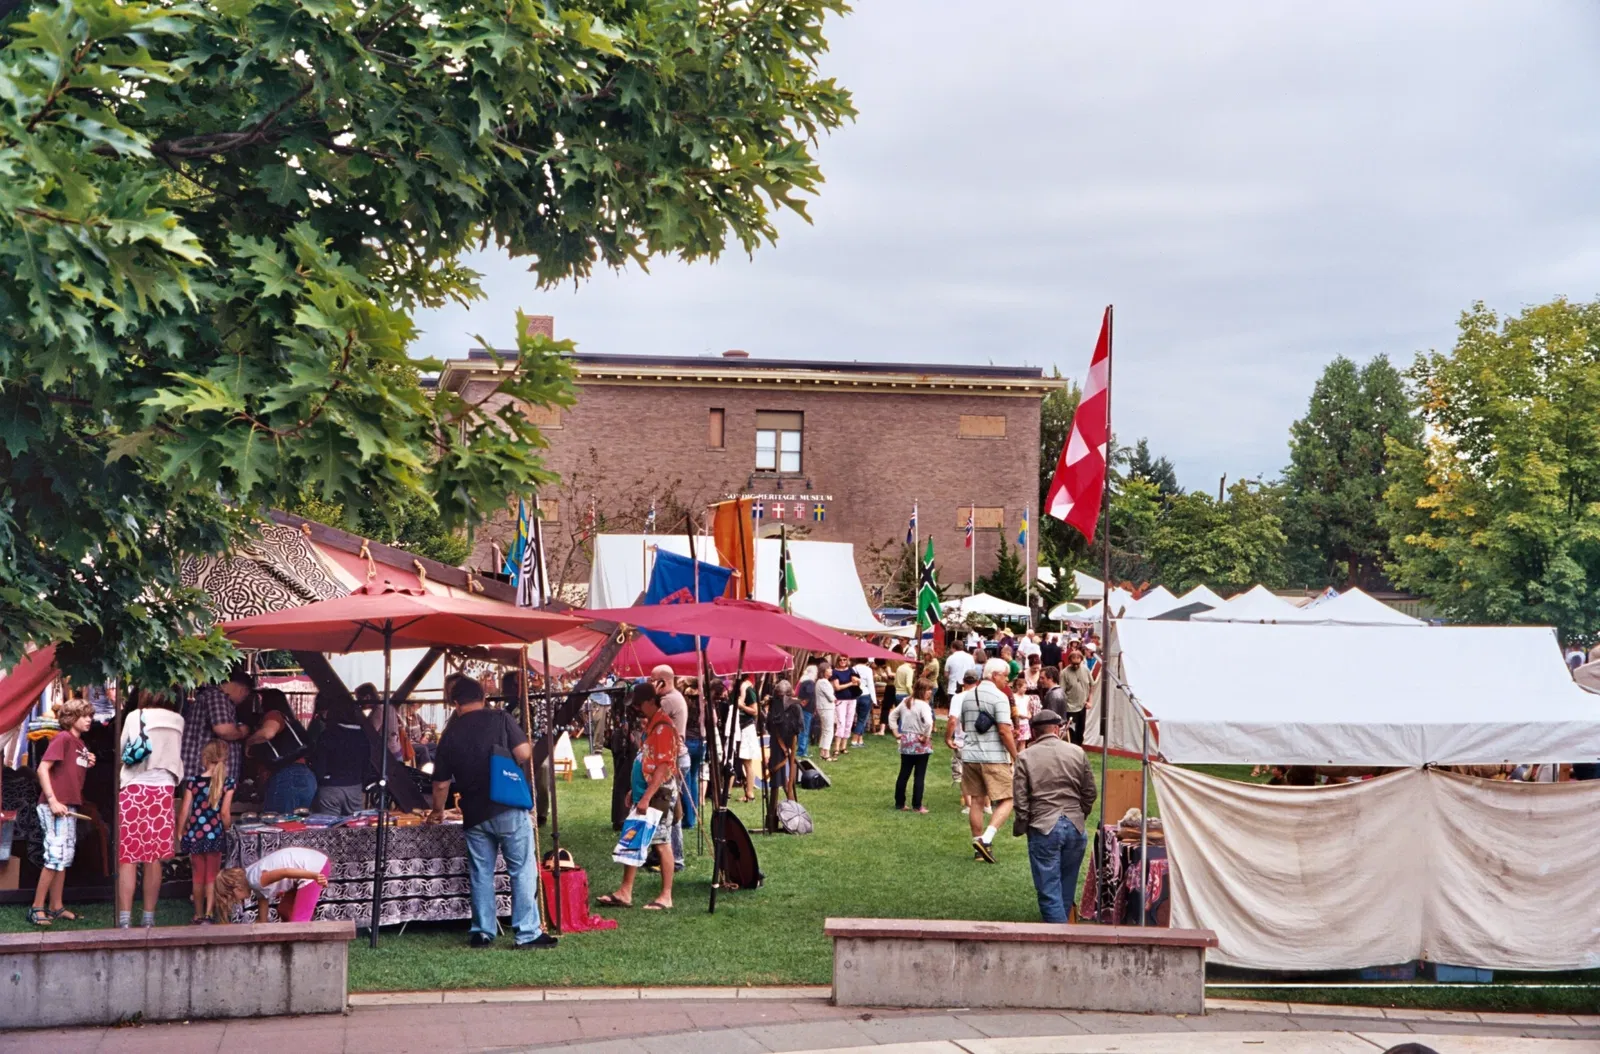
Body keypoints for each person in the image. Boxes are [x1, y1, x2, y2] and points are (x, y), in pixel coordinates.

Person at [429, 676, 555, 949]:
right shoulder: (501, 719)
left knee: (480, 872)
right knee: (521, 869)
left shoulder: (450, 733)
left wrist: (437, 811)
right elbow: (523, 753)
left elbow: (440, 783)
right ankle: (527, 933)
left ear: (455, 703)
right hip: (507, 803)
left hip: (473, 812)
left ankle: (482, 931)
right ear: (484, 698)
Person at [1011, 708, 1097, 923]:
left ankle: (1058, 940)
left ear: (1034, 731)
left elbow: (1020, 800)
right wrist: (1080, 814)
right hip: (1075, 826)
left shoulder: (1025, 756)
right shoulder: (1077, 752)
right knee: (1066, 887)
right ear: (1058, 729)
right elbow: (1090, 792)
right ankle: (1063, 930)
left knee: (1049, 890)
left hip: (1044, 826)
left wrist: (1022, 824)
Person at [600, 683, 680, 910]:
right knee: (633, 838)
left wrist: (646, 797)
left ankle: (666, 895)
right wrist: (634, 791)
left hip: (658, 793)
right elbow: (648, 760)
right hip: (646, 791)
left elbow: (663, 767)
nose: (635, 709)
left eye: (637, 704)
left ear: (649, 702)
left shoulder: (663, 728)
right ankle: (625, 891)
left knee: (662, 842)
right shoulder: (653, 725)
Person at [116, 690, 185, 929]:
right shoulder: (178, 720)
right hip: (163, 791)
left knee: (129, 856)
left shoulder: (136, 716)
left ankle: (125, 918)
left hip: (135, 787)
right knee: (153, 857)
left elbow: (124, 748)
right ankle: (149, 917)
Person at [28, 700, 97, 926]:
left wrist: (89, 761)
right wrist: (53, 800)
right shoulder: (63, 738)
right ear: (71, 717)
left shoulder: (78, 743)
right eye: (84, 715)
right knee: (55, 855)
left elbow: (72, 767)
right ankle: (36, 907)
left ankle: (56, 906)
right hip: (55, 806)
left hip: (68, 806)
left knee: (64, 857)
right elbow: (42, 768)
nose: (89, 719)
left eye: (90, 715)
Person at [960, 658, 1018, 863]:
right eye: (1004, 676)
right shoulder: (999, 697)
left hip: (970, 756)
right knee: (1009, 797)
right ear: (994, 675)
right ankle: (986, 838)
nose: (1007, 680)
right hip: (993, 757)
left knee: (976, 800)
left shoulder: (967, 697)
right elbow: (1004, 730)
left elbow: (965, 725)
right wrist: (1015, 755)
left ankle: (978, 849)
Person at [175, 739, 235, 922]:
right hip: (215, 834)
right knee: (212, 875)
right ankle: (209, 914)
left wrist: (180, 831)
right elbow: (225, 813)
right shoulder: (228, 783)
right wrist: (227, 829)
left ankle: (198, 913)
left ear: (205, 759)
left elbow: (185, 809)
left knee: (197, 876)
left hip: (195, 834)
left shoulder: (193, 782)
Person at [214, 846, 331, 923]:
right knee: (285, 910)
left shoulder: (257, 880)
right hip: (308, 866)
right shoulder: (251, 879)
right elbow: (262, 918)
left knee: (299, 922)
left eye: (235, 899)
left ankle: (301, 948)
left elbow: (285, 872)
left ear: (237, 888)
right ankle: (290, 942)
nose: (238, 902)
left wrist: (314, 876)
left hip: (313, 868)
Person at [245, 688, 316, 813]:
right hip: (306, 775)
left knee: (280, 824)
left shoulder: (274, 714)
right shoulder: (289, 720)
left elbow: (267, 733)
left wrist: (249, 742)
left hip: (287, 775)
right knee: (297, 826)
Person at [181, 669, 251, 788]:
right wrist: (242, 731)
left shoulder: (214, 696)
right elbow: (223, 730)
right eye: (245, 696)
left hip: (205, 775)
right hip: (204, 775)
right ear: (242, 690)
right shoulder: (217, 697)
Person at [308, 697, 371, 815]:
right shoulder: (362, 735)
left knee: (330, 829)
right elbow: (366, 763)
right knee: (354, 829)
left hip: (330, 788)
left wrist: (322, 778)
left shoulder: (327, 735)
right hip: (354, 787)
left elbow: (319, 763)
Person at [889, 680, 935, 812]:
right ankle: (917, 805)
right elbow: (928, 723)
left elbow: (892, 716)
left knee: (904, 773)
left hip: (906, 740)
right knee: (919, 775)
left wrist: (896, 732)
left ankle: (899, 803)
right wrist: (925, 736)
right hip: (920, 741)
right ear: (922, 690)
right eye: (928, 689)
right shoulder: (923, 705)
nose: (930, 692)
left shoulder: (905, 701)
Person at [358, 682, 406, 766]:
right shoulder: (387, 704)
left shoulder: (379, 710)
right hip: (395, 750)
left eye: (359, 698)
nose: (358, 702)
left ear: (368, 697)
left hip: (387, 754)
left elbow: (370, 732)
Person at [1058, 644, 1094, 746]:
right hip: (1070, 708)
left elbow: (1092, 686)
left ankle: (1079, 750)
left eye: (1078, 663)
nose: (1076, 666)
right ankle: (1072, 751)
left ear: (1081, 661)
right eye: (1074, 664)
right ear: (1069, 661)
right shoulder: (1064, 673)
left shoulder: (1086, 670)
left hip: (1082, 706)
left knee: (1080, 732)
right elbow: (1061, 692)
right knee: (1071, 732)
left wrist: (1090, 701)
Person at [832, 656, 860, 756]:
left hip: (852, 699)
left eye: (845, 660)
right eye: (840, 660)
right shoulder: (834, 672)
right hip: (841, 700)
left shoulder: (851, 670)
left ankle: (843, 747)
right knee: (841, 723)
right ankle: (836, 747)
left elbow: (856, 682)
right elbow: (837, 687)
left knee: (849, 722)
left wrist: (856, 681)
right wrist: (850, 683)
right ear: (837, 661)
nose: (843, 661)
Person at [813, 660, 837, 761]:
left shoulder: (821, 682)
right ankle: (826, 753)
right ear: (824, 671)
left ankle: (822, 751)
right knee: (829, 730)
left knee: (825, 730)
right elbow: (831, 698)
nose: (831, 670)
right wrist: (835, 698)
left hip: (824, 708)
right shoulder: (823, 682)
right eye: (829, 669)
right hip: (826, 708)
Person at [795, 665, 817, 758]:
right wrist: (805, 701)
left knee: (803, 730)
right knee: (804, 730)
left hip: (805, 709)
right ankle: (802, 751)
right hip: (807, 709)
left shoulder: (802, 680)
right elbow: (809, 693)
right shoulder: (810, 682)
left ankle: (803, 750)